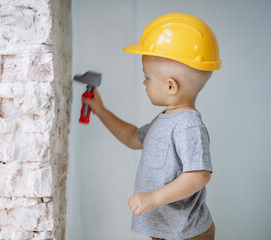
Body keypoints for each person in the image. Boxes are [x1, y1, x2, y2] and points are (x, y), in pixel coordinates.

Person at [81, 13, 221, 240]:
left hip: (187, 233)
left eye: (147, 77)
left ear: (170, 86)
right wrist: (101, 111)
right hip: (165, 230)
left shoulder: (188, 126)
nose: (144, 82)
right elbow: (132, 137)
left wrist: (154, 198)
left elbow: (199, 175)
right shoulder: (165, 119)